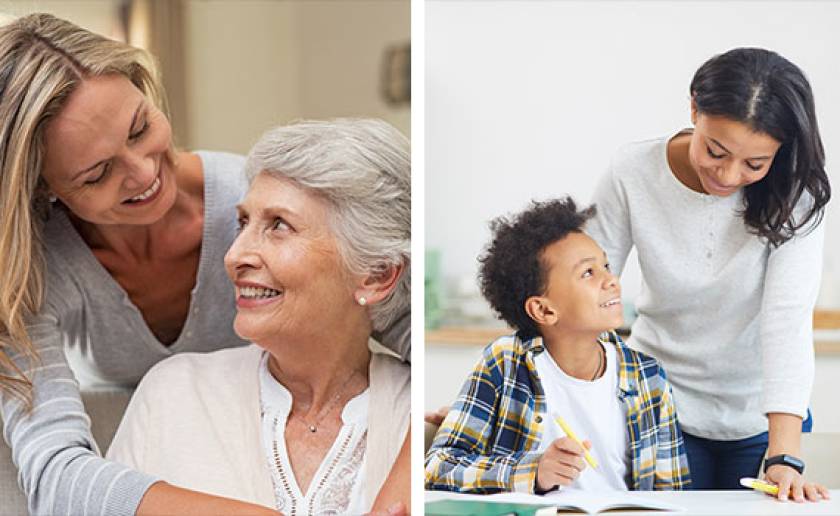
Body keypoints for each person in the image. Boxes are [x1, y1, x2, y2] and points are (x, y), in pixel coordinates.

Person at [0, 13, 409, 515]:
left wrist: (404, 485)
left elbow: (416, 335)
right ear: (43, 188)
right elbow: (52, 474)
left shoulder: (251, 197)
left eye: (140, 129)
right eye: (97, 174)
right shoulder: (26, 271)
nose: (145, 172)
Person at [106, 119, 411, 515]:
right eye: (243, 222)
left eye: (279, 226)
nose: (234, 256)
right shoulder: (173, 393)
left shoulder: (416, 416)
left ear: (377, 274)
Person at [586, 47, 830, 501]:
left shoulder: (797, 195)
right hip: (657, 406)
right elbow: (578, 290)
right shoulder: (633, 171)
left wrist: (783, 456)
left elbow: (786, 320)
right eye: (715, 151)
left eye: (755, 164)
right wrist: (511, 394)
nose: (729, 175)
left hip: (762, 418)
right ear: (694, 107)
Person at [425, 198, 690, 493]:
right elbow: (437, 467)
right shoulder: (506, 363)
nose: (611, 280)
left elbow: (673, 494)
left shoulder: (649, 378)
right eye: (588, 273)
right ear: (544, 310)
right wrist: (532, 471)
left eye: (605, 265)